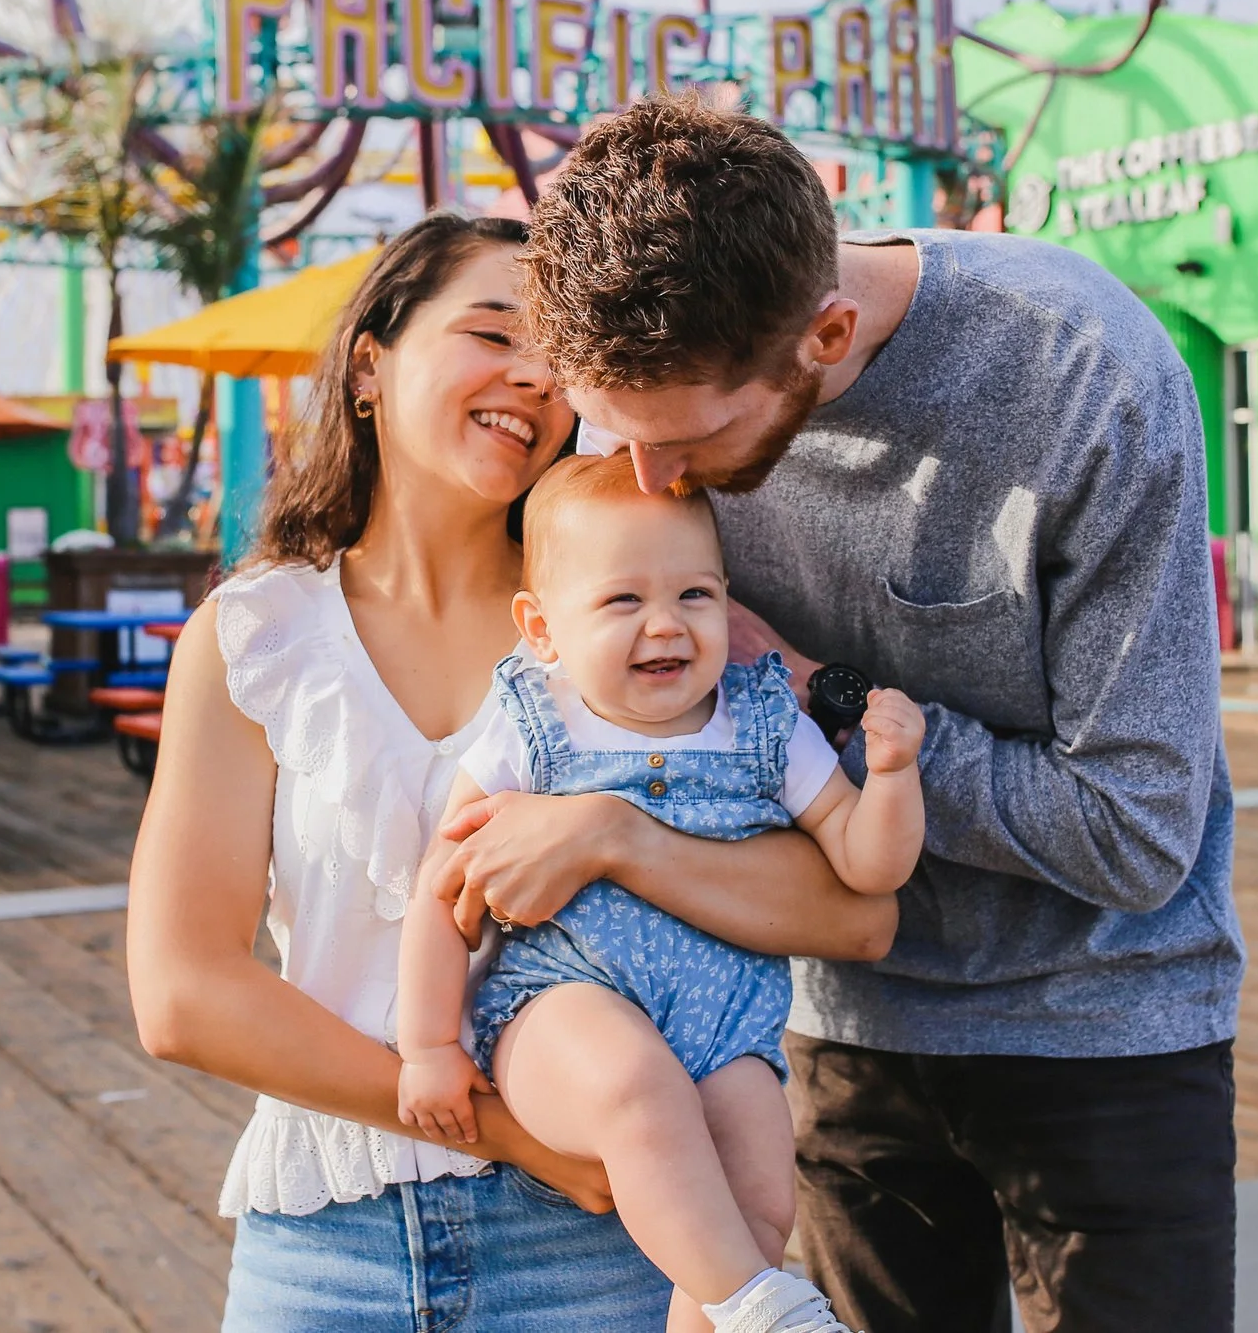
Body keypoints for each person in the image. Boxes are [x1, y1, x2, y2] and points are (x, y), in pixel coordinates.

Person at [432, 96, 1244, 1333]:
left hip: (1107, 1026)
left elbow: (1135, 831)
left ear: (825, 333)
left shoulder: (1086, 376)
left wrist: (819, 691)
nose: (652, 482)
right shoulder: (654, 388)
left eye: (689, 439)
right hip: (822, 1027)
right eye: (619, 436)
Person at [126, 212, 898, 1333]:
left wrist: (618, 836)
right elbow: (183, 994)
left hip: (610, 1245)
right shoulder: (257, 635)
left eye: (556, 356)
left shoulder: (651, 619)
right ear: (368, 365)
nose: (533, 376)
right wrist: (506, 1130)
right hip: (330, 1247)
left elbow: (856, 914)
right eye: (493, 334)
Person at [396, 453, 927, 1333]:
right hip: (563, 1005)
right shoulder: (535, 728)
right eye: (623, 600)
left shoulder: (764, 724)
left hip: (725, 1028)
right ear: (543, 629)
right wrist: (427, 1044)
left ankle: (748, 1301)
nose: (666, 624)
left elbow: (869, 867)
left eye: (694, 595)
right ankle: (775, 1310)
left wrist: (895, 776)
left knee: (758, 1207)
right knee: (635, 1082)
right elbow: (442, 889)